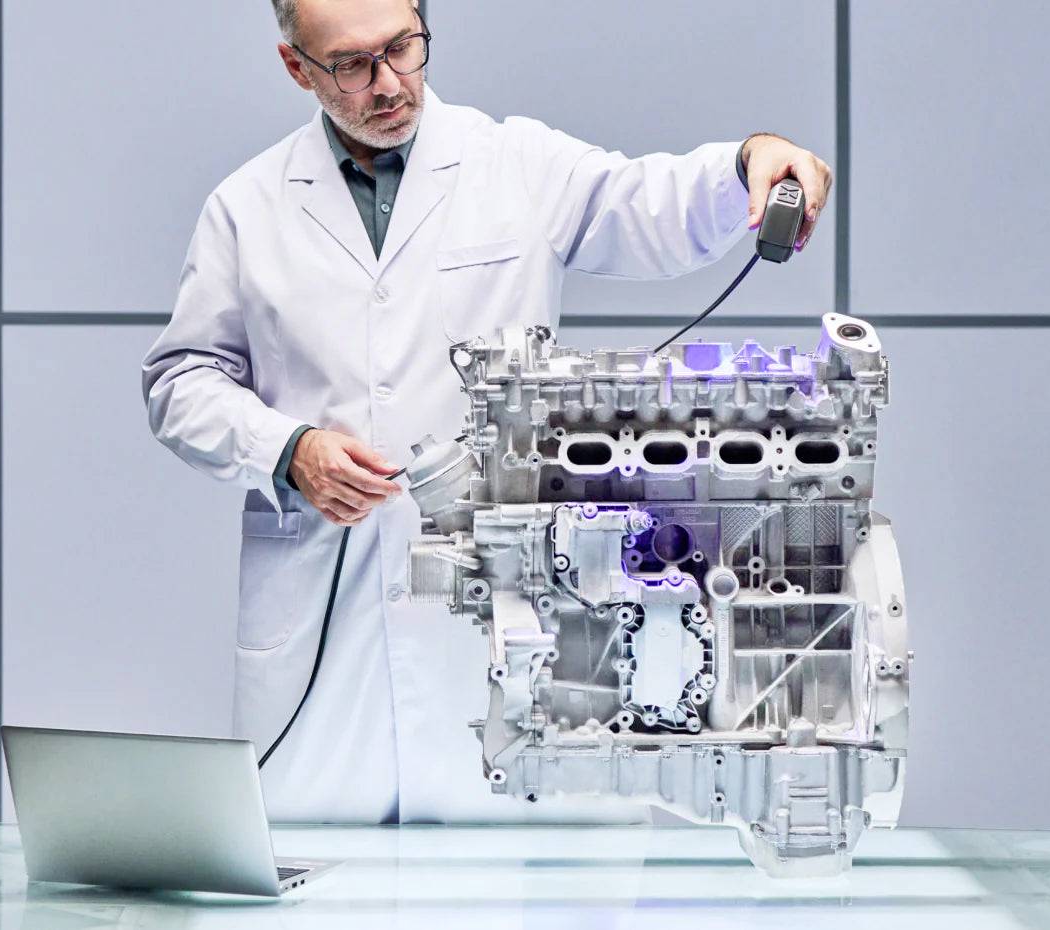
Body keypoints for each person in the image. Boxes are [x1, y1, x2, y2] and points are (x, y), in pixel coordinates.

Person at [141, 0, 833, 824]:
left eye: (404, 47)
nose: (390, 83)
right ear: (298, 68)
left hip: (502, 609)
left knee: (513, 884)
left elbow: (650, 205)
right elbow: (181, 379)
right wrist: (286, 448)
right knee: (318, 885)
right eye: (353, 65)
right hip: (325, 619)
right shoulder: (246, 207)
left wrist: (750, 160)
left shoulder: (514, 164)